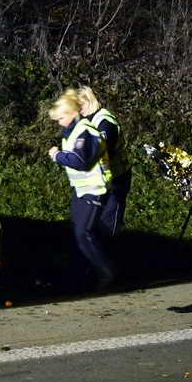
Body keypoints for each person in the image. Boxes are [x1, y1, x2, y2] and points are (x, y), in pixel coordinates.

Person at [48, 90, 116, 290]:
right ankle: (85, 274)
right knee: (79, 233)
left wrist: (57, 156)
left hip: (95, 189)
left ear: (71, 113)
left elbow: (80, 161)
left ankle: (107, 274)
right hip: (81, 189)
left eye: (61, 118)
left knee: (84, 233)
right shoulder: (72, 131)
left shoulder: (84, 131)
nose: (59, 122)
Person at [77, 86, 132, 237]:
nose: (79, 109)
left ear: (90, 101)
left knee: (109, 224)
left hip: (115, 180)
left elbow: (102, 149)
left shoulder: (105, 121)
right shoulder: (85, 120)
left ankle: (109, 255)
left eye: (82, 104)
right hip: (97, 182)